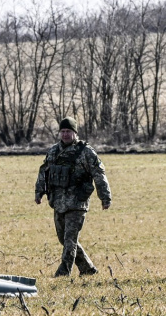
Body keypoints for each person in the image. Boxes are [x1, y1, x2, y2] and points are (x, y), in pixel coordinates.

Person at [34, 117, 112, 277]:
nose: (65, 134)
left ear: (75, 133)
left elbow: (99, 174)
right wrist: (39, 192)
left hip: (77, 203)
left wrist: (105, 197)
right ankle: (88, 269)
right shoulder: (54, 151)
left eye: (68, 131)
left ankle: (63, 273)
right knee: (65, 240)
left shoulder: (86, 152)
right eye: (62, 131)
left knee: (70, 240)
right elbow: (44, 172)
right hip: (58, 202)